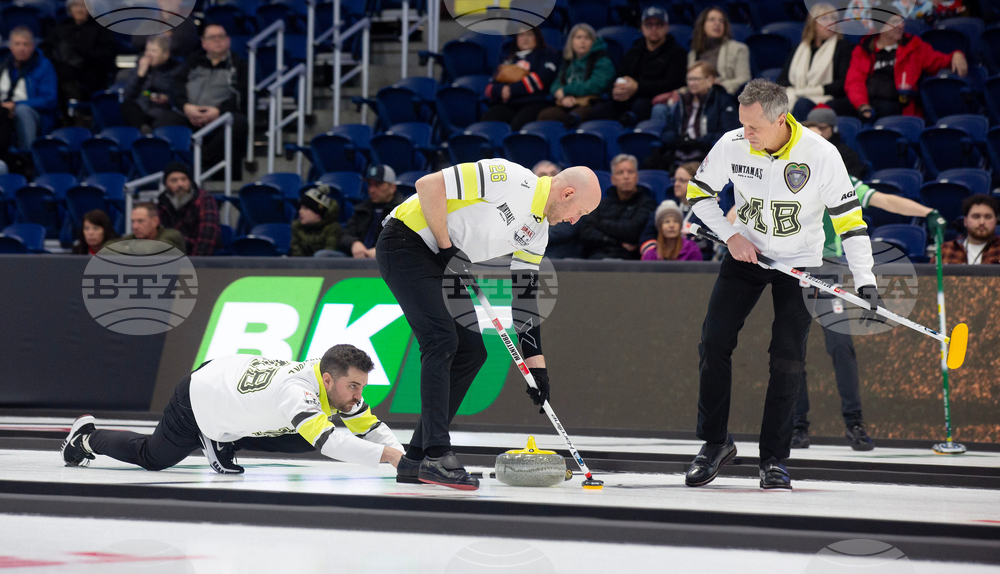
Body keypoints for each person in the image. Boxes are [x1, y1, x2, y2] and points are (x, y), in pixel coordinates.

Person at [683, 79, 877, 490]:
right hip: (746, 254)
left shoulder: (821, 155)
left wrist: (866, 280)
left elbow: (850, 223)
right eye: (742, 125)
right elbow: (697, 193)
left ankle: (773, 459)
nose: (745, 134)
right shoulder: (734, 142)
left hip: (801, 264)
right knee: (714, 341)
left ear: (780, 119)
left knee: (787, 357)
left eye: (753, 128)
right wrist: (731, 235)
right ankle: (715, 443)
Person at [376, 160, 601, 489]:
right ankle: (438, 454)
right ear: (567, 194)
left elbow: (524, 302)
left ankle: (416, 458)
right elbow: (428, 185)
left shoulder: (537, 234)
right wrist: (446, 245)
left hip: (445, 258)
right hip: (407, 242)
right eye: (578, 212)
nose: (573, 220)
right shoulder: (509, 177)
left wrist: (537, 369)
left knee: (471, 352)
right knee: (441, 339)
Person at [789, 120, 947, 450]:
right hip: (790, 269)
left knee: (840, 346)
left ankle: (855, 424)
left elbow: (885, 201)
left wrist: (927, 211)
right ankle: (796, 425)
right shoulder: (787, 175)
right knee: (791, 350)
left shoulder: (841, 180)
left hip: (828, 267)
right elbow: (741, 211)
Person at [62, 344, 405, 474]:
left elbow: (368, 425)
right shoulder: (297, 392)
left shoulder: (328, 377)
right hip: (200, 397)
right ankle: (86, 439)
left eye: (361, 386)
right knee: (154, 458)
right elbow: (330, 444)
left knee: (303, 436)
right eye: (354, 386)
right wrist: (390, 457)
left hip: (228, 379)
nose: (358, 395)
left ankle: (222, 438)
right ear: (328, 379)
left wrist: (404, 458)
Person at [845, 8, 967, 120]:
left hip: (898, 105)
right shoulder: (864, 49)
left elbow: (938, 61)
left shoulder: (914, 46)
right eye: (894, 22)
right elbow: (854, 81)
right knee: (836, 108)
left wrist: (956, 55)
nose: (901, 26)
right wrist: (862, 105)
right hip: (867, 103)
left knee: (884, 110)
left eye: (901, 21)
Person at [166, 24, 250, 178]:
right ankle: (172, 171)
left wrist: (219, 112)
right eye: (212, 37)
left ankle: (198, 162)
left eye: (221, 37)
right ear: (203, 43)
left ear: (229, 41)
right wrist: (185, 107)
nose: (218, 41)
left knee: (239, 123)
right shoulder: (192, 61)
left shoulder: (240, 65)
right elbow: (176, 86)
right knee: (164, 121)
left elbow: (244, 96)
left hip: (220, 118)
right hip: (190, 114)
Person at [588, 6, 687, 126]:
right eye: (649, 25)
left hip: (654, 100)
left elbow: (673, 83)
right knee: (599, 110)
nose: (654, 29)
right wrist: (615, 90)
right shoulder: (633, 52)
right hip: (627, 99)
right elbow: (618, 76)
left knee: (640, 106)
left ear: (666, 27)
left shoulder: (677, 53)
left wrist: (638, 87)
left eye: (659, 24)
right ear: (642, 27)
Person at [645, 62, 739, 170]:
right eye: (689, 79)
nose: (691, 83)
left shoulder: (723, 101)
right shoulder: (682, 102)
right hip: (679, 150)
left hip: (706, 152)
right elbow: (668, 130)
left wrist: (699, 142)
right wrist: (678, 140)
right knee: (650, 163)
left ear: (710, 80)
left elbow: (728, 134)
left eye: (696, 79)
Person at [777, 2, 858, 119]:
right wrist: (797, 92)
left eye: (834, 18)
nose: (831, 22)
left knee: (802, 104)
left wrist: (812, 91)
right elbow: (782, 80)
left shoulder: (843, 47)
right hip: (797, 95)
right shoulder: (798, 49)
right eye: (824, 18)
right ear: (813, 23)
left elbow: (842, 84)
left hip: (828, 99)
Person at [42, 0, 117, 121]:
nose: (79, 9)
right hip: (65, 72)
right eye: (75, 5)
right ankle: (70, 115)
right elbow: (45, 48)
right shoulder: (61, 27)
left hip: (91, 71)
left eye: (83, 5)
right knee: (59, 73)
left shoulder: (100, 27)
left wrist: (85, 53)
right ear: (69, 8)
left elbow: (109, 52)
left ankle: (78, 113)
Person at [536, 23, 615, 128]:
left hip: (592, 103)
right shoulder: (568, 61)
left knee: (573, 118)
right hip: (567, 102)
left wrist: (566, 90)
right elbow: (555, 84)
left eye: (587, 38)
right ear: (571, 42)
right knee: (545, 115)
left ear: (593, 41)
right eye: (578, 37)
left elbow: (596, 85)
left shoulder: (602, 59)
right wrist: (563, 97)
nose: (582, 41)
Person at [578, 154, 656, 259]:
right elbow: (586, 233)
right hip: (597, 258)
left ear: (637, 177)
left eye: (630, 172)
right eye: (620, 173)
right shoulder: (600, 205)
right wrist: (618, 243)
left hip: (628, 261)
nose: (626, 176)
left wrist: (600, 223)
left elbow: (632, 232)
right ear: (613, 179)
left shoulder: (647, 204)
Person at [481, 28, 560, 130]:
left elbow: (542, 78)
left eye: (529, 34)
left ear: (537, 37)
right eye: (521, 35)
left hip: (535, 102)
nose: (525, 38)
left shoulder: (547, 55)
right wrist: (501, 90)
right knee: (489, 119)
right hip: (510, 104)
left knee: (518, 125)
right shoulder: (509, 60)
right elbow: (490, 87)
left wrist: (511, 89)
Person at [0, 27, 58, 158]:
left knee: (22, 110)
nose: (21, 48)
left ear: (32, 47)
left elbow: (49, 99)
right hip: (4, 110)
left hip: (34, 113)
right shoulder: (4, 64)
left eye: (25, 44)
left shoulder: (44, 66)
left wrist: (15, 104)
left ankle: (29, 157)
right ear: (10, 47)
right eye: (17, 44)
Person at [338, 164, 405, 258]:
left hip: (389, 260)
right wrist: (354, 243)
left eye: (378, 185)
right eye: (370, 184)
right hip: (357, 258)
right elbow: (344, 235)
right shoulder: (362, 209)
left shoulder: (402, 211)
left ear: (392, 188)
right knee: (325, 255)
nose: (372, 190)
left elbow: (405, 240)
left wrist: (382, 249)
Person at [121, 35, 183, 133]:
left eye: (153, 51)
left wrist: (167, 98)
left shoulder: (177, 69)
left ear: (166, 54)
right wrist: (140, 74)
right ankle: (144, 131)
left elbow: (178, 94)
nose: (148, 55)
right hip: (142, 112)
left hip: (164, 112)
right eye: (147, 50)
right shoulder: (141, 66)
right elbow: (128, 95)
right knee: (127, 106)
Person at [156, 161, 220, 255]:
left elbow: (207, 237)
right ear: (166, 185)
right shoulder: (161, 205)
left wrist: (194, 266)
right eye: (174, 180)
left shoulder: (204, 199)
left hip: (200, 262)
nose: (180, 184)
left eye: (184, 179)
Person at [688, 6, 751, 95]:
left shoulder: (739, 49)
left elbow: (745, 80)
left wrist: (719, 85)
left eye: (721, 21)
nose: (717, 24)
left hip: (725, 97)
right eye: (712, 20)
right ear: (702, 25)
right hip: (698, 98)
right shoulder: (693, 54)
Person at [801, 105, 868, 179]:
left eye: (821, 128)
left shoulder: (846, 154)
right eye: (812, 129)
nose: (818, 132)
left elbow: (852, 182)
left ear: (833, 128)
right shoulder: (801, 150)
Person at [937, 195, 1000, 264]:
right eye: (976, 217)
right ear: (965, 221)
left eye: (988, 217)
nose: (982, 222)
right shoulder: (944, 249)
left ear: (995, 221)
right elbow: (929, 275)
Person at [131, 0, 201, 59]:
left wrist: (153, 37)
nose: (168, 1)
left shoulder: (187, 23)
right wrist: (163, 35)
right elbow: (136, 40)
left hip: (176, 66)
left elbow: (180, 44)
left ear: (180, 1)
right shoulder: (151, 22)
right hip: (149, 64)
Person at [290, 184, 342, 257]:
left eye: (306, 208)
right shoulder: (297, 226)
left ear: (318, 213)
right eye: (300, 208)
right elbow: (297, 254)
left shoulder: (332, 228)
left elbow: (329, 255)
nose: (300, 212)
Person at [113, 202, 187, 253]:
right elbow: (107, 249)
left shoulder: (172, 236)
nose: (135, 226)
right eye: (133, 221)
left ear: (155, 221)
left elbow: (150, 250)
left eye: (140, 221)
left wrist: (127, 247)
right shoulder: (136, 236)